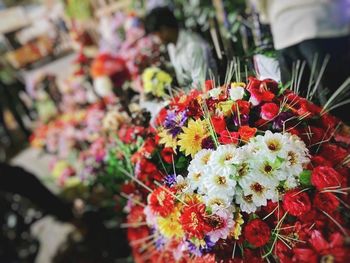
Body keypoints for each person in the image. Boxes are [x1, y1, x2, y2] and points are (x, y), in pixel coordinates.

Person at [255, 0, 350, 124]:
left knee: (300, 117)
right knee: (339, 111)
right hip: (324, 18)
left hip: (282, 24)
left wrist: (268, 15)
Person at [144, 7, 217, 88]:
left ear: (164, 30)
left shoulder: (192, 46)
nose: (155, 40)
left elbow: (200, 84)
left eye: (155, 35)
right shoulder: (171, 46)